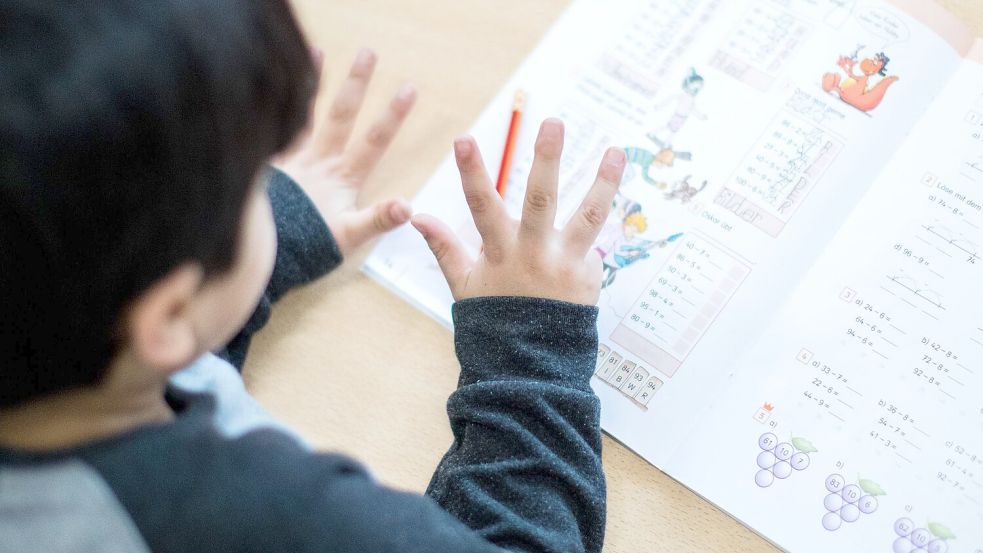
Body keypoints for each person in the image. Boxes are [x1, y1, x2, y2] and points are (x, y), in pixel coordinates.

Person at [0, 1, 627, 552]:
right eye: (256, 177)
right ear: (167, 315)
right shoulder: (250, 516)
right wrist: (529, 349)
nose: (271, 181)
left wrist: (254, 234)